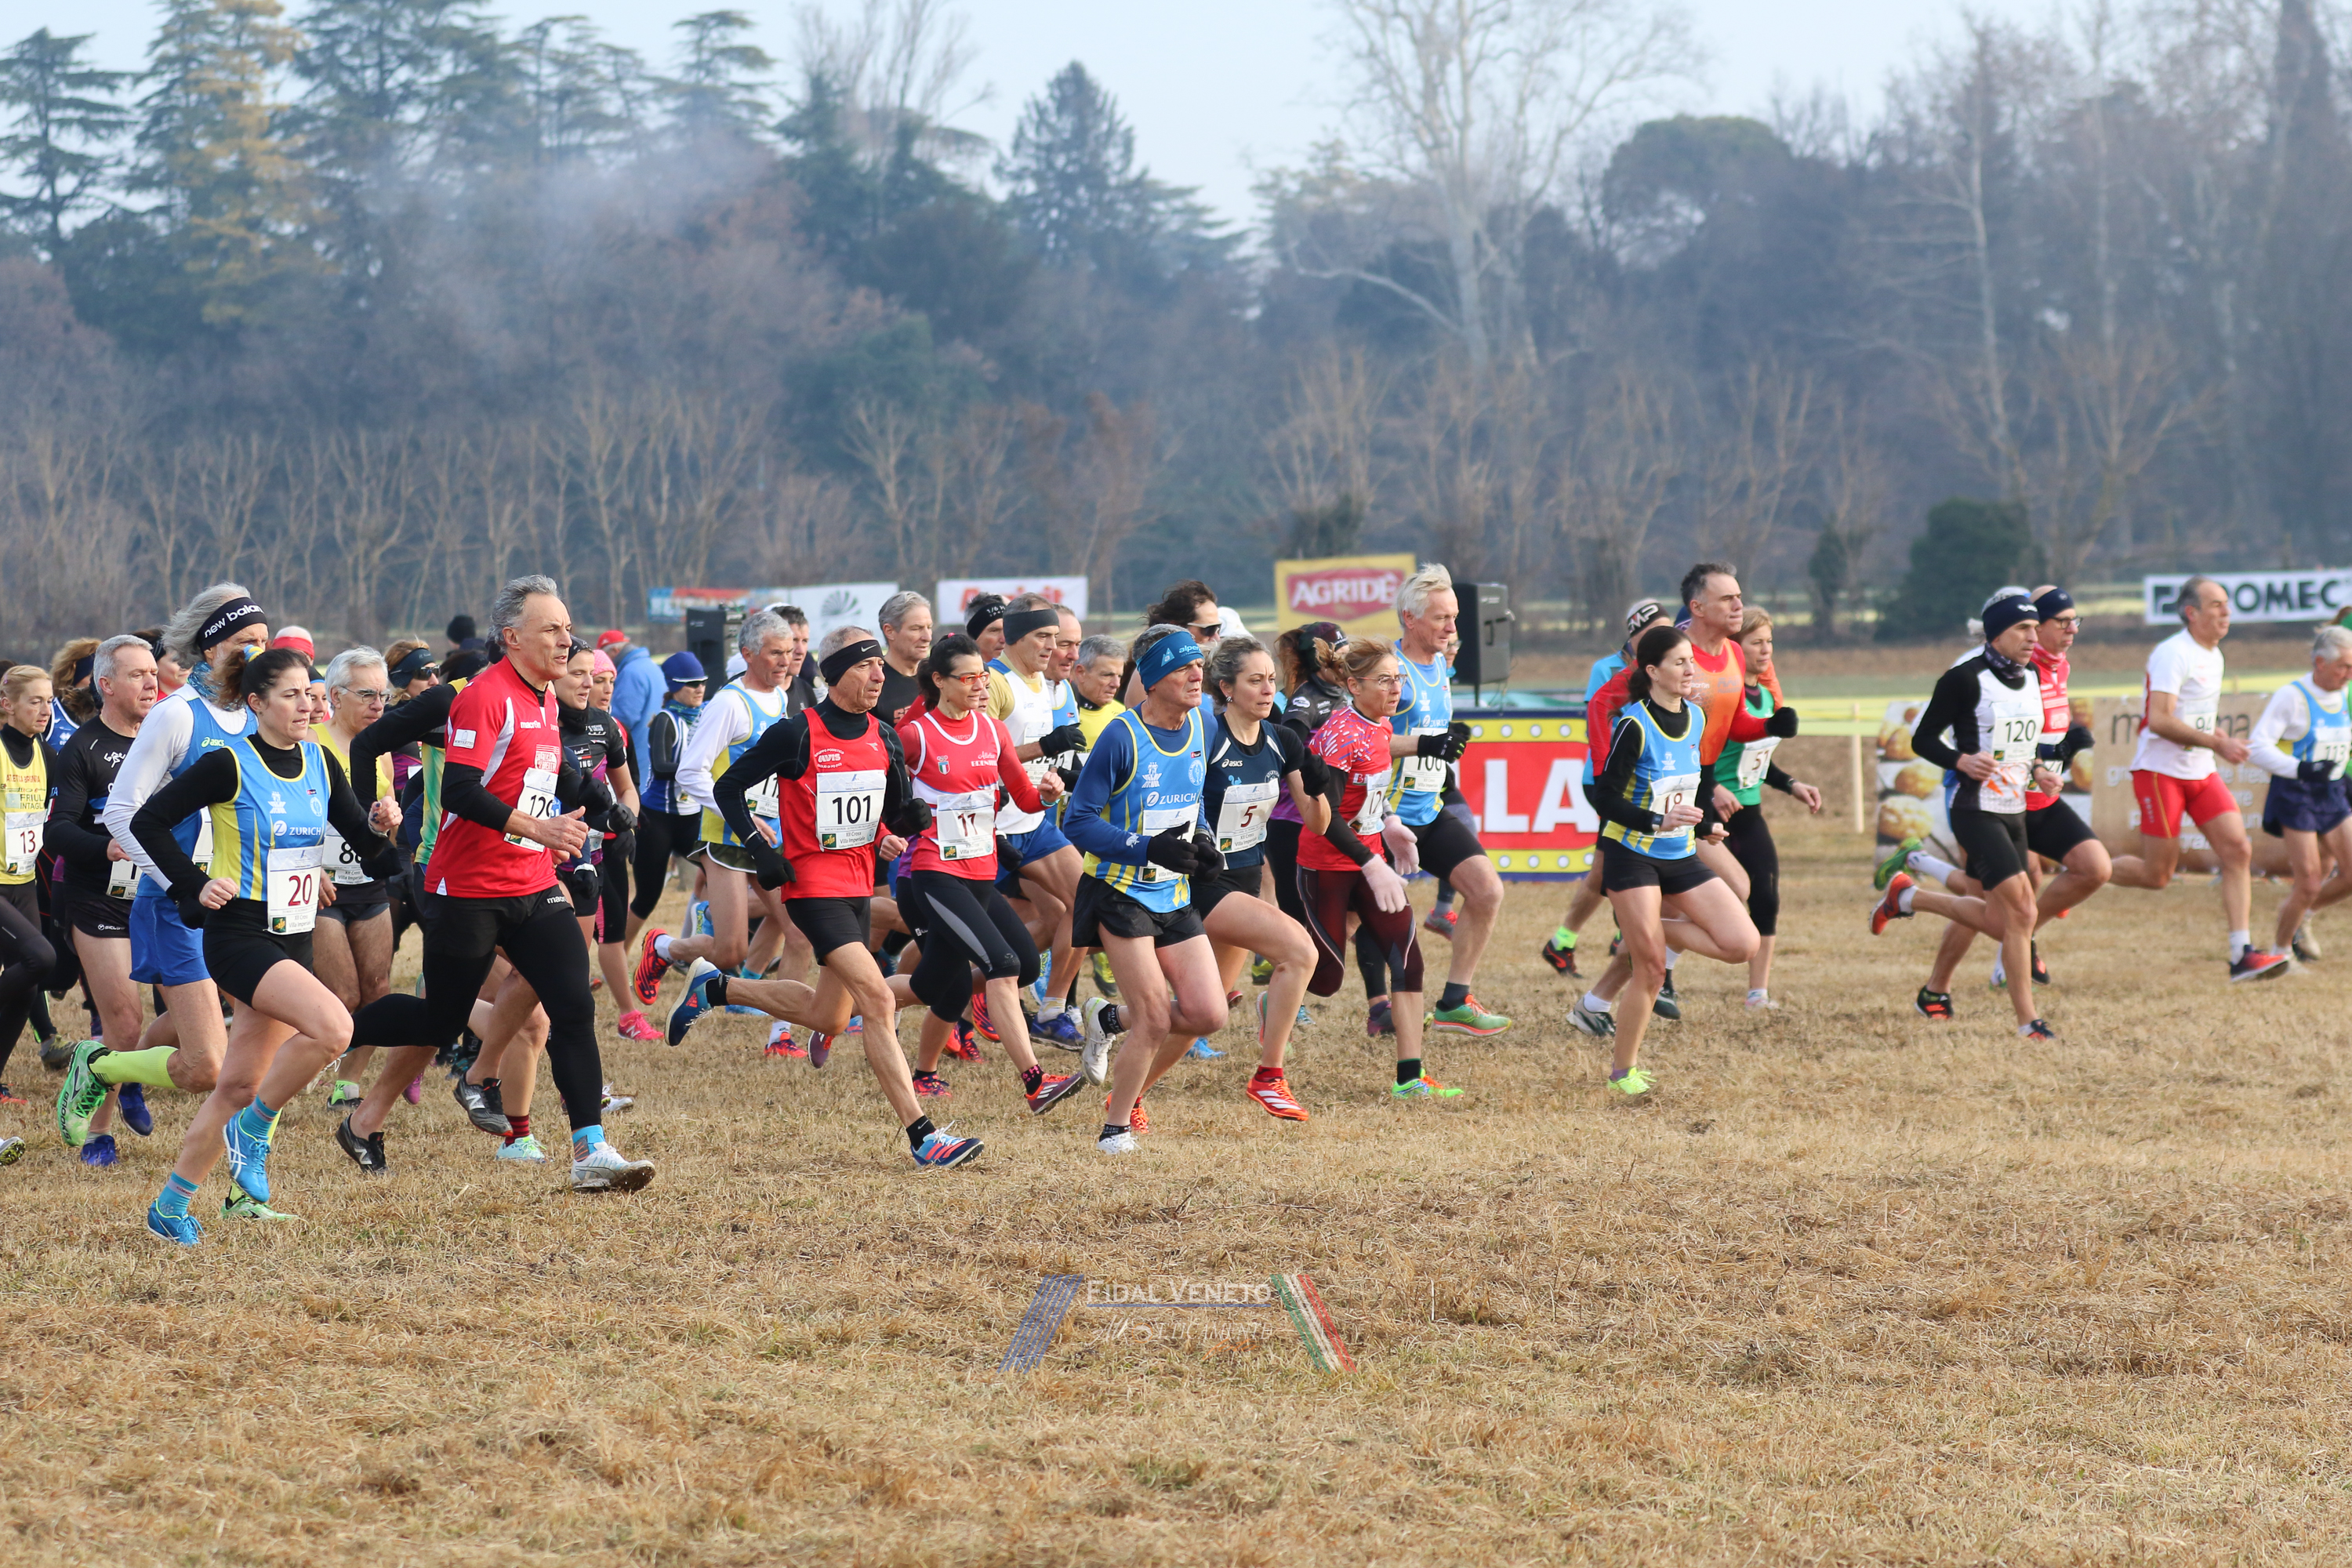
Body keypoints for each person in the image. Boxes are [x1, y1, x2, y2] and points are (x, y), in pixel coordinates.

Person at [335, 575, 653, 1192]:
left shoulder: (544, 698)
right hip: (468, 890)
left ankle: (590, 1150)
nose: (566, 641)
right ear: (512, 638)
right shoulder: (484, 697)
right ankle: (324, 1028)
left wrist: (609, 808)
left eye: (567, 628)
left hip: (532, 883)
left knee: (573, 1006)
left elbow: (555, 771)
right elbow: (459, 790)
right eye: (552, 629)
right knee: (439, 1022)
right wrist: (540, 828)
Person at [663, 626, 984, 1169]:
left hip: (858, 888)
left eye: (880, 666)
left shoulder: (884, 737)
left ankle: (716, 988)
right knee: (878, 1000)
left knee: (828, 1017)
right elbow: (727, 787)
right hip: (812, 890)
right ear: (835, 674)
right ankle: (924, 1137)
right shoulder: (797, 734)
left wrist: (906, 821)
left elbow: (889, 812)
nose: (879, 675)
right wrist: (759, 847)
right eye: (865, 666)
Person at [115, 648, 405, 1242]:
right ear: (257, 703)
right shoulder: (228, 763)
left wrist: (382, 827)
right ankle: (253, 1130)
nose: (306, 706)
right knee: (335, 1028)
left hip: (294, 932)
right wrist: (194, 884)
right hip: (240, 935)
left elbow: (371, 853)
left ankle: (171, 1207)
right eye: (291, 695)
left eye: (310, 694)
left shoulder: (321, 762)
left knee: (239, 1085)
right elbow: (146, 822)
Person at [1882, 585, 2111, 1013]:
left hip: (2033, 796)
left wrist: (2054, 758)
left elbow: (2031, 739)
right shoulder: (1974, 671)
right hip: (1984, 800)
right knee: (1996, 902)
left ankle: (2014, 942)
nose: (2071, 630)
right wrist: (1962, 762)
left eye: (2073, 622)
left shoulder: (2053, 668)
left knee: (2083, 872)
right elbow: (1930, 734)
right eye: (2060, 622)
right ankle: (1949, 977)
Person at [1060, 626, 1244, 1152]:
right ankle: (1114, 1129)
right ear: (1155, 679)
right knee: (1157, 1018)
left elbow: (1193, 800)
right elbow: (1078, 822)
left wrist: (1204, 842)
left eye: (1199, 666)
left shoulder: (1203, 724)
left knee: (1209, 1014)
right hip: (1119, 891)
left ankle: (1107, 1018)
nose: (1197, 676)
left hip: (1173, 891)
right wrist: (1146, 848)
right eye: (1184, 667)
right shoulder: (1122, 735)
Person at [887, 634, 1087, 1112]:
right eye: (970, 678)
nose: (981, 685)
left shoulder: (992, 731)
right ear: (940, 681)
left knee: (972, 975)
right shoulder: (916, 735)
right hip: (934, 874)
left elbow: (1025, 798)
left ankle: (839, 1011)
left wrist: (1048, 793)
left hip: (980, 873)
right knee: (1002, 964)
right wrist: (891, 828)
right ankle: (1035, 1082)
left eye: (983, 676)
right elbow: (882, 794)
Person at [1570, 567, 1771, 1036]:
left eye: (1740, 597)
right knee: (1721, 897)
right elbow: (1602, 714)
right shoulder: (1645, 698)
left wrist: (1705, 817)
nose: (1738, 607)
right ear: (1698, 608)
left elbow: (1706, 755)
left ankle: (1600, 995)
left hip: (1681, 829)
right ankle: (1627, 970)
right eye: (1728, 599)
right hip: (1638, 835)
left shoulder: (1726, 663)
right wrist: (1613, 779)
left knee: (1727, 907)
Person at [100, 583, 278, 1116]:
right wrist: (184, 884)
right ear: (211, 648)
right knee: (207, 1067)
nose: (258, 653)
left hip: (243, 902)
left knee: (255, 1033)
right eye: (245, 641)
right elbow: (121, 813)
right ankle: (100, 1069)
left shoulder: (258, 715)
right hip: (182, 903)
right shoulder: (176, 714)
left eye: (265, 641)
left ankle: (118, 1075)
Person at [1867, 594, 2060, 1039]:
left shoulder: (2032, 676)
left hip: (2014, 807)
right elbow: (1922, 739)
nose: (2034, 638)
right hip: (1975, 808)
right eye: (2023, 629)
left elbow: (2025, 742)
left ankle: (1910, 897)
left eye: (2036, 628)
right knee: (2023, 910)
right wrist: (1960, 761)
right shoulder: (1965, 678)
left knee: (2000, 921)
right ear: (1996, 634)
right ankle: (2028, 1021)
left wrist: (2039, 771)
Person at [1286, 635, 1461, 1102]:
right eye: (1384, 680)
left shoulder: (1379, 724)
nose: (1396, 688)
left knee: (1408, 959)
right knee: (1325, 979)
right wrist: (1370, 863)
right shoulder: (1341, 734)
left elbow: (1371, 789)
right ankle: (1275, 1001)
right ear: (1354, 685)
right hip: (1326, 864)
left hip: (1369, 860)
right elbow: (1326, 819)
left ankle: (1410, 1077)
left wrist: (1391, 823)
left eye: (1399, 678)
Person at [1588, 624, 1760, 1096]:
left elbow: (1696, 784)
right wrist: (1654, 821)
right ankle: (1623, 1073)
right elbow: (1605, 799)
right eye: (1680, 662)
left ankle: (1647, 933)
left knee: (1742, 944)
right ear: (1653, 671)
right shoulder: (1633, 725)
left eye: (1692, 662)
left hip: (1680, 853)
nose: (1690, 670)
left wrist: (1705, 826)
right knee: (1651, 970)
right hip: (1631, 855)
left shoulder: (1697, 718)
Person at [2103, 575, 2288, 980]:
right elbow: (2159, 720)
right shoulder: (2173, 653)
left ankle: (2242, 954)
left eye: (2227, 604)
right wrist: (2218, 743)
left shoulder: (2215, 654)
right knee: (2157, 875)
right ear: (2192, 612)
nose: (2227, 612)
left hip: (2200, 772)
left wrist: (2218, 737)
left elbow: (2194, 717)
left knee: (2237, 850)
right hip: (2160, 773)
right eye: (2217, 605)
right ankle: (2084, 870)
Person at [635, 609, 808, 1018]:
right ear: (748, 654)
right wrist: (740, 813)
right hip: (727, 836)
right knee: (730, 950)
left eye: (789, 652)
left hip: (768, 834)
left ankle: (780, 1031)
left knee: (800, 932)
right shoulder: (729, 704)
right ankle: (663, 948)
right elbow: (689, 772)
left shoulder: (780, 697)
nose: (786, 661)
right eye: (775, 653)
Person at [1192, 635, 1323, 1120]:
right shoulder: (1206, 737)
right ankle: (1269, 1076)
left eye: (1272, 679)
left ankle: (1119, 1047)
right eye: (1255, 681)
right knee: (1299, 951)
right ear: (1226, 688)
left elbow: (1317, 823)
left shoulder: (1281, 739)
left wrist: (1318, 787)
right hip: (1204, 884)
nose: (1269, 690)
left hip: (1245, 881)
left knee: (1203, 1015)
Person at [44, 635, 161, 1165]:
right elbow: (57, 831)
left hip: (157, 894)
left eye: (153, 672)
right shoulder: (82, 749)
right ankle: (98, 1133)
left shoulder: (167, 739)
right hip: (96, 896)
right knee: (124, 1021)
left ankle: (128, 1070)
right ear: (106, 684)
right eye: (138, 675)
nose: (151, 683)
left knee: (198, 1016)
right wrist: (106, 847)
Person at [1384, 565, 1502, 1035]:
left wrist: (1447, 738)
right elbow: (1363, 741)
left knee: (1487, 891)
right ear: (1410, 619)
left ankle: (1455, 1001)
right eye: (1441, 619)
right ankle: (1284, 996)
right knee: (1347, 926)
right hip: (1382, 818)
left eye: (1454, 617)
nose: (1452, 628)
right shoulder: (1392, 671)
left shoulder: (1439, 666)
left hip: (1428, 811)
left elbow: (1429, 735)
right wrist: (1423, 743)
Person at [984, 593, 1089, 1047]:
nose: (1052, 646)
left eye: (1055, 637)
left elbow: (1033, 759)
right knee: (947, 948)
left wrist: (1054, 777)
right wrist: (1045, 748)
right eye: (1043, 636)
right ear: (1015, 637)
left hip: (1033, 823)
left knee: (1086, 902)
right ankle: (889, 993)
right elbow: (979, 757)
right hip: (989, 832)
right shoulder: (994, 682)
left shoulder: (1043, 683)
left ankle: (1051, 1010)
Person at [1541, 601, 1666, 978]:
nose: (1661, 639)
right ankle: (1621, 937)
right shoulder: (1606, 669)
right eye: (1652, 632)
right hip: (1606, 781)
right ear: (1634, 634)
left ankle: (1566, 941)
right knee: (1625, 862)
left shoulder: (1665, 665)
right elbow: (1598, 723)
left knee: (1605, 868)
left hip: (1643, 783)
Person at [1709, 609, 1824, 1007]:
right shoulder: (1725, 695)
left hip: (1749, 812)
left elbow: (1757, 759)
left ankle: (1757, 994)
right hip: (1711, 812)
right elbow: (1698, 755)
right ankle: (1663, 973)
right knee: (1703, 899)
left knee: (1766, 897)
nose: (1766, 650)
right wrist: (1713, 789)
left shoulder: (1769, 697)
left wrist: (1792, 785)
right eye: (1756, 642)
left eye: (1769, 642)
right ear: (1735, 648)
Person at [310, 648, 403, 1105]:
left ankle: (347, 1085)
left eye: (383, 695)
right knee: (342, 993)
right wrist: (309, 869)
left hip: (369, 883)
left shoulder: (380, 751)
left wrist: (390, 821)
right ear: (334, 696)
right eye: (366, 694)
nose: (377, 704)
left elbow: (387, 827)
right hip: (319, 886)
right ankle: (294, 1068)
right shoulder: (308, 742)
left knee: (378, 992)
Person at [556, 643, 647, 1036]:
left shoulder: (605, 726)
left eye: (593, 675)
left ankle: (566, 1031)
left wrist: (627, 821)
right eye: (579, 674)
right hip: (539, 853)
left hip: (588, 856)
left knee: (576, 957)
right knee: (534, 958)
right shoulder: (539, 722)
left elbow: (627, 790)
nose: (591, 684)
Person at [2249, 625, 2352, 959]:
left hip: (2332, 792)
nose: (2349, 674)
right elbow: (2257, 747)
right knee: (2308, 883)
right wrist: (2300, 769)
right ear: (2320, 662)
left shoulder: (2342, 694)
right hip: (2297, 795)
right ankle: (2281, 953)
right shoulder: (2292, 697)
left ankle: (2301, 916)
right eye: (2344, 667)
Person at [0, 664, 59, 1105]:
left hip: (23, 882)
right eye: (35, 701)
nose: (45, 710)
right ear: (7, 705)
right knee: (39, 958)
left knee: (26, 989)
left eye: (49, 701)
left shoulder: (46, 754)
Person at [627, 652, 706, 942]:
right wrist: (699, 769)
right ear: (674, 687)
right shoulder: (665, 719)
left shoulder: (706, 714)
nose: (699, 688)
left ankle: (697, 945)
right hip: (657, 820)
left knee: (719, 878)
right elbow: (660, 767)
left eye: (703, 682)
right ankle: (617, 956)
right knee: (647, 897)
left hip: (691, 817)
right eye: (692, 684)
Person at [877, 591, 932, 727]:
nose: (927, 637)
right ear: (889, 631)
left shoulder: (939, 677)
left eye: (929, 627)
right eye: (916, 629)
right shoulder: (873, 682)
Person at [604, 629, 662, 760]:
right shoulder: (651, 666)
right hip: (653, 750)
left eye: (605, 655)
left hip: (637, 754)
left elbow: (623, 719)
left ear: (615, 651)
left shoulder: (630, 673)